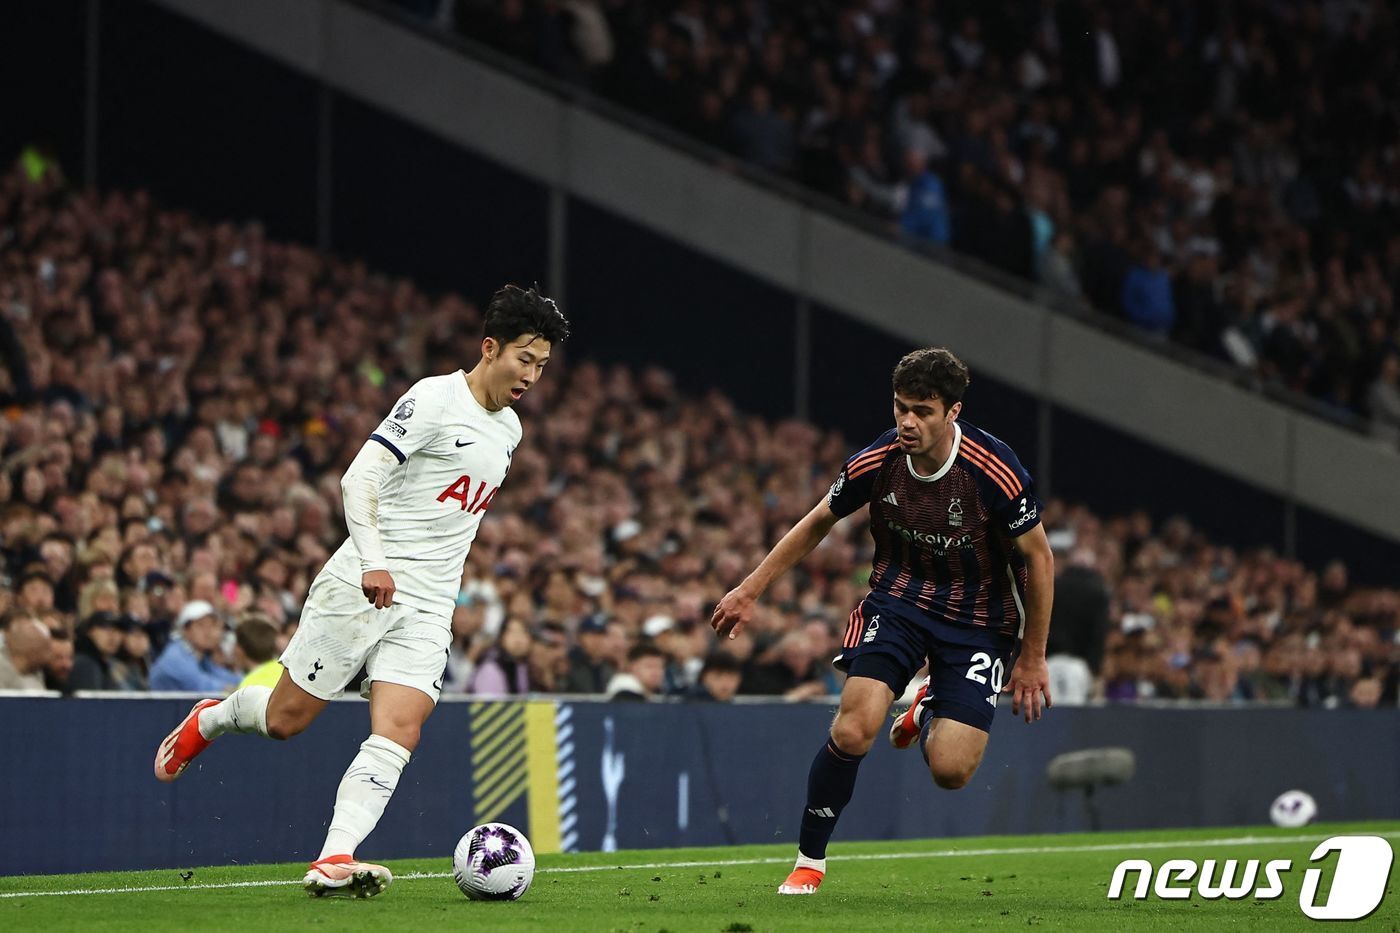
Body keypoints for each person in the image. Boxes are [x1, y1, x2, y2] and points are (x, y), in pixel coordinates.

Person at [151, 284, 568, 898]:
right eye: (524, 359)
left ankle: (334, 857)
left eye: (541, 366)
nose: (532, 375)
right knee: (285, 720)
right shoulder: (432, 398)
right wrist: (375, 562)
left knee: (400, 728)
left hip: (428, 604)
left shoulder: (508, 430)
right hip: (363, 582)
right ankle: (211, 719)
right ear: (489, 348)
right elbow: (358, 479)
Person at [711, 347, 1054, 896]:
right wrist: (750, 589)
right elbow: (820, 518)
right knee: (853, 728)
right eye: (900, 408)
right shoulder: (879, 460)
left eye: (922, 411)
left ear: (953, 412)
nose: (907, 422)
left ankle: (929, 702)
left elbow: (1038, 558)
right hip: (899, 603)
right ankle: (809, 861)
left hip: (979, 621)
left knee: (950, 771)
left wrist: (1033, 657)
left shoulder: (995, 471)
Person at [147, 600, 241, 693]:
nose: (208, 632)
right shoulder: (175, 656)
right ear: (185, 630)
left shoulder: (200, 655)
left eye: (211, 625)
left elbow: (219, 674)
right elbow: (201, 685)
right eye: (201, 625)